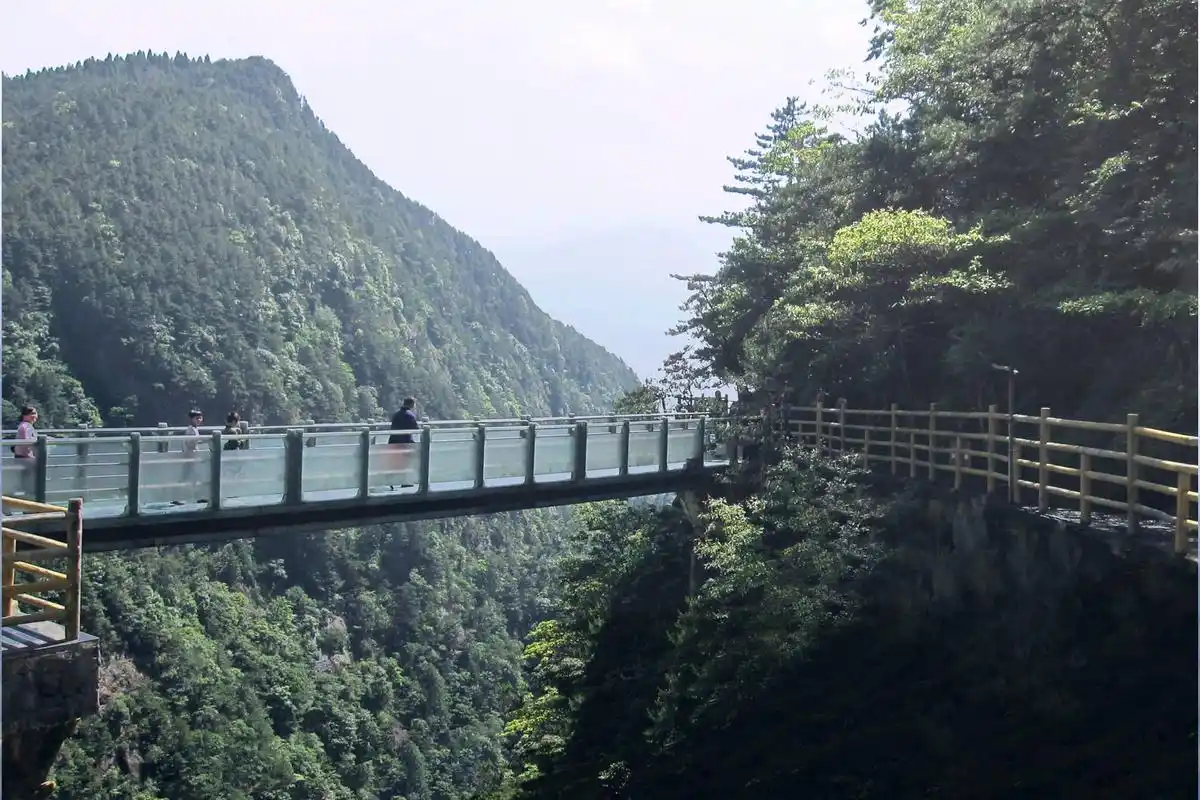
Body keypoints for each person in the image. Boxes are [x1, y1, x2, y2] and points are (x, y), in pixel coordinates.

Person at [388, 397, 420, 488]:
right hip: (405, 443)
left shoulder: (396, 414)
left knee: (395, 463)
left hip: (393, 441)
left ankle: (389, 480)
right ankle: (405, 481)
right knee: (408, 461)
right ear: (412, 404)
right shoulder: (410, 415)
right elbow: (416, 429)